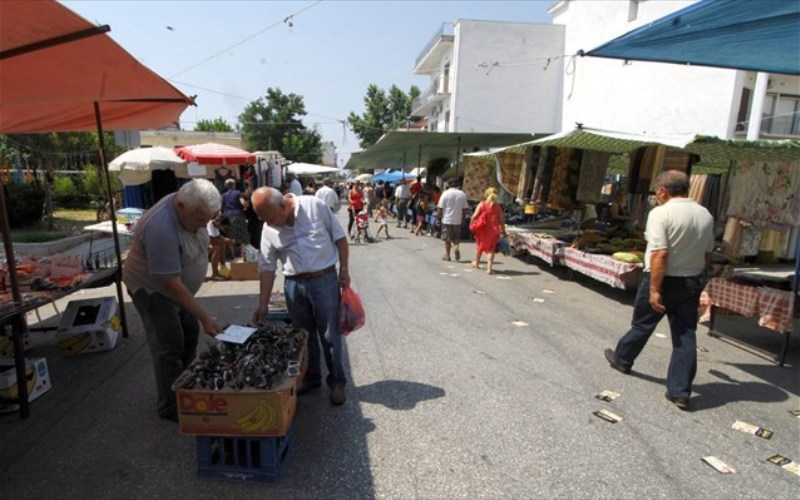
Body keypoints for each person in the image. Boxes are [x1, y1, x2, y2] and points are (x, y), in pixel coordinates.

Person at [604, 170, 714, 411]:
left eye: (657, 189)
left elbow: (660, 253)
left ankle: (622, 359)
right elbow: (707, 254)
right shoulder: (705, 214)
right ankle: (680, 391)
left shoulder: (661, 214)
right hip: (691, 280)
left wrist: (654, 289)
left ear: (663, 190)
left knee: (643, 324)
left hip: (663, 279)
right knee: (685, 336)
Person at [123, 179, 223, 422]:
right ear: (180, 205)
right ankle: (170, 406)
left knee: (189, 333)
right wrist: (205, 317)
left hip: (176, 289)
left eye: (207, 219)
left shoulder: (190, 206)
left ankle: (185, 388)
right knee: (169, 344)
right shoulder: (160, 227)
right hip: (153, 290)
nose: (203, 225)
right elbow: (170, 283)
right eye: (200, 220)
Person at [250, 187, 351, 406]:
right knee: (303, 336)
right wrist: (263, 304)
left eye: (272, 218)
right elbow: (267, 268)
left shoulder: (314, 206)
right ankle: (311, 377)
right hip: (294, 284)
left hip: (324, 279)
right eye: (265, 220)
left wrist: (344, 270)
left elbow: (341, 239)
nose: (271, 224)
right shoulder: (269, 227)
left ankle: (337, 382)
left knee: (329, 334)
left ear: (283, 206)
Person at [471, 187, 506, 274]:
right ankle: (489, 269)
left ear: (486, 195)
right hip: (494, 231)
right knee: (491, 250)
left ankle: (477, 264)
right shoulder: (497, 206)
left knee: (479, 247)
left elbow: (474, 216)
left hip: (483, 230)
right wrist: (503, 231)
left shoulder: (482, 204)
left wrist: (472, 224)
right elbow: (502, 220)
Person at [436, 180, 468, 261]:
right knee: (456, 236)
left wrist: (438, 218)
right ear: (457, 185)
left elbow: (440, 208)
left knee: (447, 239)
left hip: (447, 220)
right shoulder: (462, 194)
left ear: (449, 185)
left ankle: (447, 255)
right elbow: (464, 209)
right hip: (457, 220)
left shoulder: (445, 193)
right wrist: (463, 218)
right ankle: (456, 247)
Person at [220, 178, 248, 259]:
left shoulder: (223, 195)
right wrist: (246, 206)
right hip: (238, 215)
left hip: (227, 216)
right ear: (234, 185)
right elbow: (243, 202)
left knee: (230, 236)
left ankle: (232, 255)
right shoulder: (238, 193)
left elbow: (220, 207)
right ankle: (242, 255)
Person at [207, 214, 234, 280]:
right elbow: (212, 240)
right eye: (222, 226)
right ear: (218, 222)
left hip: (207, 244)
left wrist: (227, 240)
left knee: (222, 245)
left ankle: (223, 268)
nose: (221, 228)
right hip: (202, 245)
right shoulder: (210, 224)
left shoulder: (215, 226)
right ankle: (214, 274)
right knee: (217, 248)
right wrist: (225, 241)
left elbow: (218, 237)